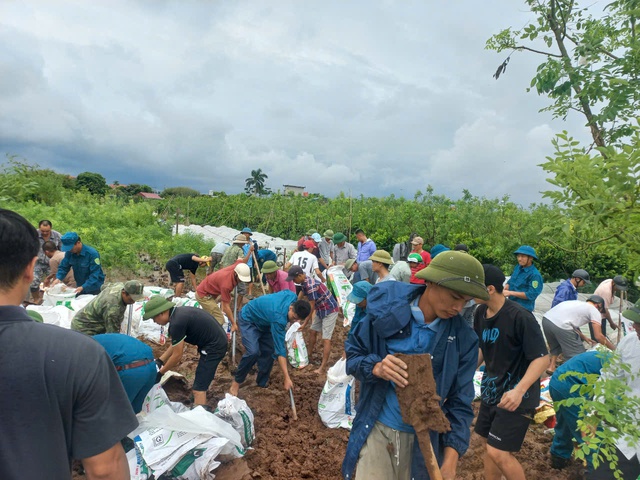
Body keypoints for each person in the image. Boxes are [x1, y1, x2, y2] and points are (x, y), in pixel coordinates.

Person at [0, 208, 137, 479]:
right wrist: (60, 280)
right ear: (30, 269)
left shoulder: (92, 255)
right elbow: (105, 469)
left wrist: (81, 289)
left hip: (89, 291)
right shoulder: (78, 355)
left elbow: (97, 278)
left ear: (78, 243)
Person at [342, 250, 488, 480]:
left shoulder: (464, 340)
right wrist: (376, 367)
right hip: (378, 429)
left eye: (466, 301)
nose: (459, 308)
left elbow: (460, 403)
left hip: (425, 445)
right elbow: (353, 357)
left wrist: (450, 462)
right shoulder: (385, 312)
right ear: (430, 282)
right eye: (454, 296)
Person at [474, 264, 549, 480]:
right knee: (488, 445)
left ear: (489, 289)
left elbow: (542, 358)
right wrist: (466, 372)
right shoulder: (481, 313)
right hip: (492, 390)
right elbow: (482, 347)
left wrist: (518, 390)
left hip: (517, 396)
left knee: (498, 451)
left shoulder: (520, 317)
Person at [586, 301, 640, 479]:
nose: (634, 326)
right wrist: (594, 413)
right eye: (635, 321)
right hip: (628, 433)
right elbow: (609, 377)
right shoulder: (630, 342)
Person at [143, 295, 228, 408]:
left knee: (199, 388)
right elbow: (176, 344)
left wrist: (161, 373)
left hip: (214, 348)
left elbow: (177, 356)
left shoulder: (176, 323)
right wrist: (160, 360)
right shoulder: (179, 314)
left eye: (154, 318)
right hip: (215, 342)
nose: (154, 322)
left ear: (162, 313)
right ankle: (197, 401)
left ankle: (200, 417)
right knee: (200, 381)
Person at [228, 291, 311, 396]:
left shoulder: (292, 296)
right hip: (250, 319)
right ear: (291, 308)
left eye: (298, 320)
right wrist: (287, 377)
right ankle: (236, 382)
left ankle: (261, 382)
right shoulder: (278, 319)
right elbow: (280, 351)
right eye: (294, 318)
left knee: (269, 351)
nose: (294, 321)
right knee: (253, 352)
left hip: (266, 322)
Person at [548, 350, 610, 470]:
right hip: (571, 384)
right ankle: (598, 471)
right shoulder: (625, 371)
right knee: (592, 436)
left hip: (558, 380)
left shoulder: (623, 358)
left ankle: (559, 458)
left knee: (566, 423)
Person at [287, 266, 340, 374]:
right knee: (312, 331)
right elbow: (300, 294)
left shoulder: (310, 285)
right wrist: (294, 305)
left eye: (294, 279)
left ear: (300, 275)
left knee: (326, 338)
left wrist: (304, 322)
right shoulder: (304, 282)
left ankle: (322, 367)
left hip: (330, 310)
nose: (293, 281)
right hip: (320, 309)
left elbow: (311, 307)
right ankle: (309, 356)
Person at [542, 296, 612, 374]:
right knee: (577, 355)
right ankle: (567, 375)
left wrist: (584, 337)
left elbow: (569, 322)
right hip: (561, 325)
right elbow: (598, 336)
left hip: (546, 320)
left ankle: (551, 367)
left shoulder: (576, 303)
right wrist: (614, 349)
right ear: (598, 305)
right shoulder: (594, 310)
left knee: (555, 345)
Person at [93, 333, 158, 413]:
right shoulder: (91, 341)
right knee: (134, 412)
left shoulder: (82, 350)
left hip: (131, 370)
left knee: (116, 413)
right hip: (151, 365)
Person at [71, 280, 145, 335]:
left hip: (95, 319)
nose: (133, 302)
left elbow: (103, 287)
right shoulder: (113, 309)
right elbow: (112, 335)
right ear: (124, 293)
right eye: (131, 299)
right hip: (85, 327)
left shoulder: (119, 285)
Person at [195, 261, 252, 332]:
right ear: (236, 274)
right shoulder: (226, 285)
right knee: (220, 319)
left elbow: (241, 260)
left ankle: (205, 323)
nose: (241, 281)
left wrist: (249, 251)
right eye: (240, 279)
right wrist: (234, 323)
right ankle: (207, 334)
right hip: (204, 296)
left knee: (212, 313)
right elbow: (225, 306)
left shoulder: (237, 267)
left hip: (209, 290)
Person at [30, 219, 62, 303]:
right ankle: (36, 299)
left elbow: (62, 250)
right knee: (33, 280)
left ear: (51, 228)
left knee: (55, 283)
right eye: (42, 231)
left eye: (47, 231)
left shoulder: (57, 236)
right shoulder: (34, 235)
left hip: (52, 262)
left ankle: (52, 300)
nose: (44, 233)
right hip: (38, 262)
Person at [503, 245, 543, 312]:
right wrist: (507, 285)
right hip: (511, 306)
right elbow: (512, 279)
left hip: (523, 310)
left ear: (531, 258)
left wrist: (510, 293)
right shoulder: (518, 267)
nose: (519, 259)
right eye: (518, 256)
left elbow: (531, 295)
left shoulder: (535, 275)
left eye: (523, 256)